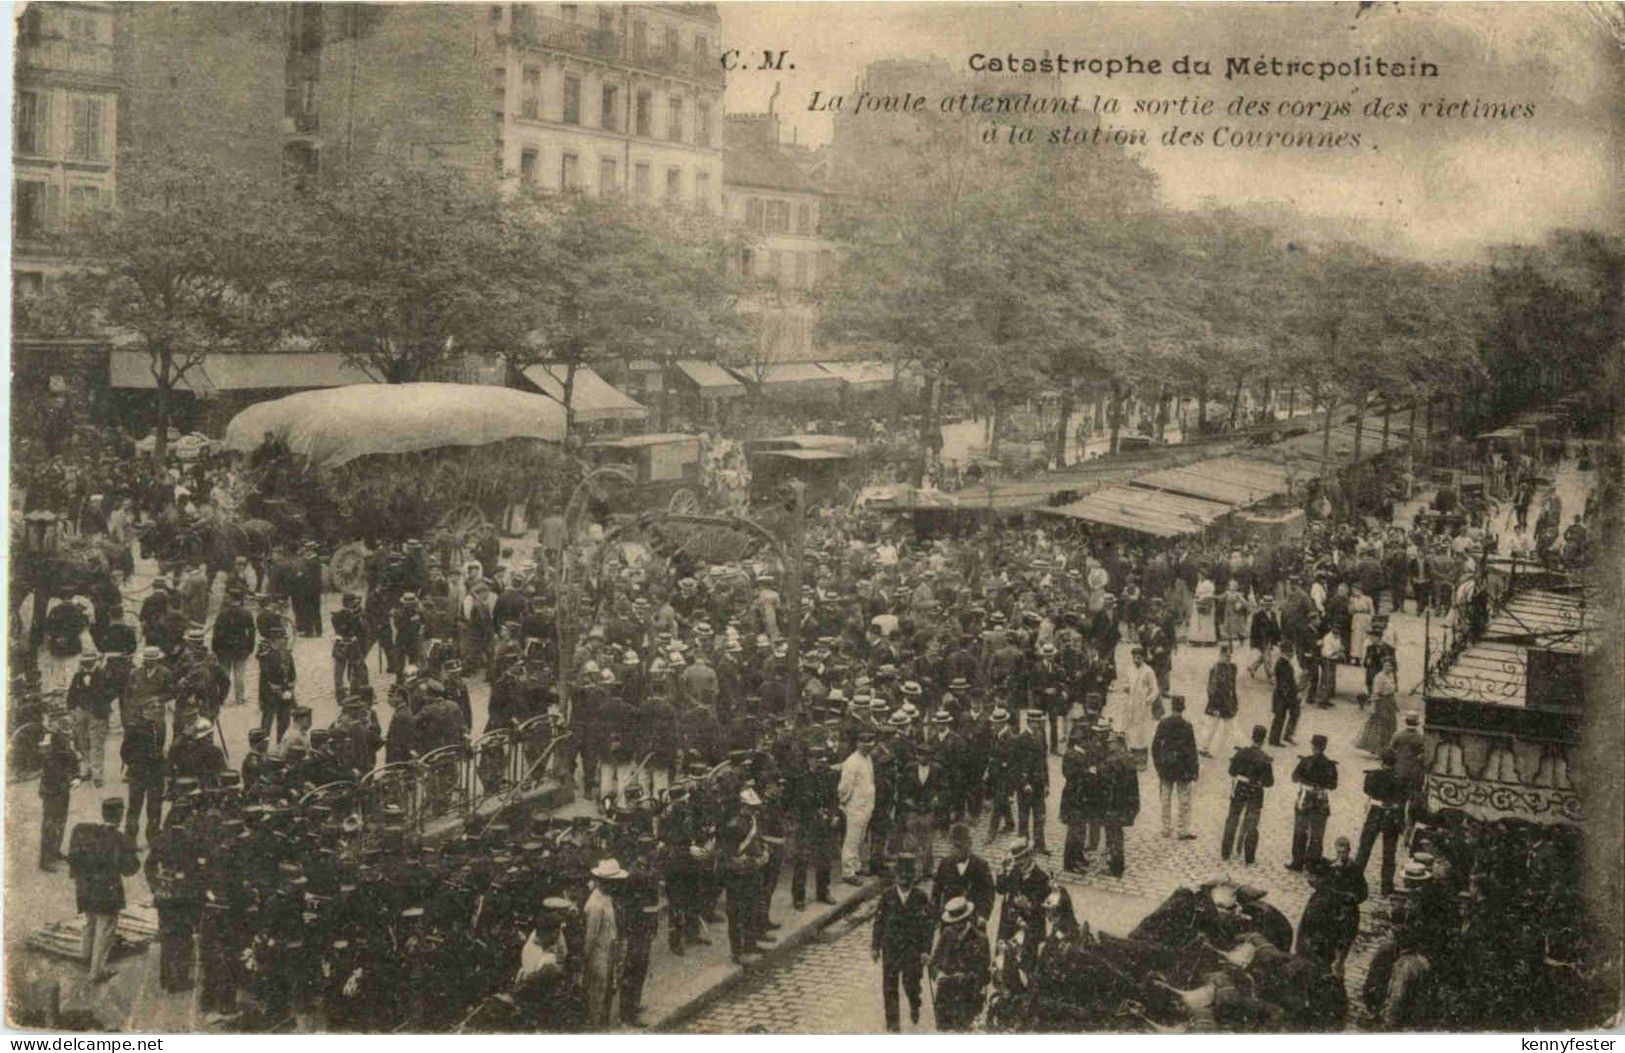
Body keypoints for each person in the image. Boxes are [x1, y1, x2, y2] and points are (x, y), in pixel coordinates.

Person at [67, 797, 140, 983]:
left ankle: (86, 957)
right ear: (120, 815)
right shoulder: (119, 838)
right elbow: (130, 869)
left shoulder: (84, 830)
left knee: (90, 921)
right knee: (105, 928)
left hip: (85, 888)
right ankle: (96, 971)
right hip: (107, 892)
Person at [871, 854, 933, 1032]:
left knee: (911, 985)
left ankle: (915, 1003)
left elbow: (928, 926)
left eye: (908, 875)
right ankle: (893, 1025)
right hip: (891, 948)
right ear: (896, 876)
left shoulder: (921, 897)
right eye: (900, 875)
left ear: (913, 877)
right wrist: (875, 946)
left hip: (912, 950)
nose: (904, 879)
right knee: (889, 987)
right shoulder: (888, 896)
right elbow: (879, 921)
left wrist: (926, 950)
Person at [930, 896, 990, 1032]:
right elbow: (934, 964)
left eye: (960, 922)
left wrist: (967, 978)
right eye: (954, 922)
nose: (957, 926)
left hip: (969, 997)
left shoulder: (980, 938)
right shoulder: (946, 934)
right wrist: (938, 975)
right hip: (946, 996)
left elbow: (985, 973)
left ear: (968, 918)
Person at [1354, 749, 1408, 895]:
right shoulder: (1399, 779)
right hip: (1391, 817)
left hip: (1375, 813)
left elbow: (1367, 790)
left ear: (1382, 761)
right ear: (1395, 763)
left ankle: (1354, 881)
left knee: (1364, 848)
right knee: (1389, 852)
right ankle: (1386, 886)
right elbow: (1403, 797)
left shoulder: (1372, 775)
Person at [1221, 724, 1274, 866]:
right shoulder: (1265, 759)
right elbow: (1269, 782)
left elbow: (1231, 771)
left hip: (1239, 789)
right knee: (1252, 824)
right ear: (1263, 740)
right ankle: (1249, 858)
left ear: (1252, 736)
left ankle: (1226, 853)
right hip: (1255, 791)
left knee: (1232, 819)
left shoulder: (1241, 753)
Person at [582, 857, 626, 1028]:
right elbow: (590, 937)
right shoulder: (595, 904)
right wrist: (586, 961)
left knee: (608, 990)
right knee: (597, 993)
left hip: (609, 952)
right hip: (598, 956)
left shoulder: (606, 897)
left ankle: (604, 1023)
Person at [1151, 695, 1198, 841]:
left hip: (1166, 766)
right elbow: (1192, 750)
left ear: (1172, 707)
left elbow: (1155, 746)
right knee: (1184, 799)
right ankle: (1182, 829)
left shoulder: (1164, 723)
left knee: (1165, 797)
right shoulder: (1187, 725)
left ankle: (1166, 827)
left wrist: (1159, 765)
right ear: (1183, 708)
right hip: (1183, 768)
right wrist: (1194, 770)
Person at [1288, 734, 1338, 869]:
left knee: (1300, 830)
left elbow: (1294, 777)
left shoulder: (1305, 761)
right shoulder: (1330, 765)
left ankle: (1297, 862)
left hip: (1305, 798)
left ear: (1312, 746)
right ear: (1324, 747)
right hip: (1321, 800)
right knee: (1317, 832)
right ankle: (1312, 863)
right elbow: (1333, 785)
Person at [38, 713, 80, 871]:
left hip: (63, 787)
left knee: (60, 820)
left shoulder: (64, 736)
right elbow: (48, 761)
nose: (62, 724)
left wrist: (76, 776)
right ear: (51, 722)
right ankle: (45, 859)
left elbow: (72, 756)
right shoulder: (48, 739)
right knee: (50, 823)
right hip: (51, 788)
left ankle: (55, 851)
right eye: (56, 721)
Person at [930, 823, 994, 923]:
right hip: (949, 918)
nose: (956, 850)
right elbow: (936, 893)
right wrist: (936, 916)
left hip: (973, 919)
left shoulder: (981, 865)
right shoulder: (944, 864)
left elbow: (988, 893)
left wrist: (983, 915)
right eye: (953, 846)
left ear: (969, 845)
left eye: (959, 846)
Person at [838, 733, 877, 883]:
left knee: (860, 838)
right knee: (852, 839)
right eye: (864, 743)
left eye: (870, 744)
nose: (867, 746)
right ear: (858, 744)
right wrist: (844, 803)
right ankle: (848, 872)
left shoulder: (867, 758)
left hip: (866, 805)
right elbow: (845, 786)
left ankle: (855, 866)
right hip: (855, 806)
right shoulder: (852, 761)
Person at [1100, 731, 1141, 876]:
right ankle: (1117, 863)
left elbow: (1104, 783)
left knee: (1113, 835)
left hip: (1114, 804)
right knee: (1118, 834)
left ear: (1117, 743)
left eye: (1111, 742)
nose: (1108, 745)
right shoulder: (1129, 758)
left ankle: (1116, 867)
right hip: (1126, 804)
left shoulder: (1112, 760)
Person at [211, 590, 257, 708]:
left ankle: (223, 698)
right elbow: (251, 633)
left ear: (231, 599)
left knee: (224, 674)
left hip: (224, 648)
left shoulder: (222, 614)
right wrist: (250, 647)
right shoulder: (246, 613)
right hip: (241, 648)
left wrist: (214, 648)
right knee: (239, 674)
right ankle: (239, 698)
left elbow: (216, 633)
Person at [1199, 644, 1239, 758]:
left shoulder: (1232, 668)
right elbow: (1211, 689)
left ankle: (1235, 746)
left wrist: (1234, 700)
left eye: (1229, 655)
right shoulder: (1216, 668)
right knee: (1212, 725)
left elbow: (1233, 687)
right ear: (1221, 655)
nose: (1228, 657)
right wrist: (1215, 704)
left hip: (1227, 701)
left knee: (1230, 725)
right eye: (1226, 655)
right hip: (1217, 701)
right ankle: (1203, 747)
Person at [1356, 656, 1400, 755]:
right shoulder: (1379, 677)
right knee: (1381, 727)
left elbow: (1393, 689)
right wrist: (1373, 706)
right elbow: (1376, 693)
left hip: (1390, 702)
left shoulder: (1391, 675)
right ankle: (1378, 749)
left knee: (1391, 726)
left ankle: (1386, 748)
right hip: (1382, 703)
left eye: (1390, 666)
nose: (1387, 667)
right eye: (1386, 665)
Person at [1267, 647, 1299, 747]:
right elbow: (1284, 682)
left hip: (1286, 694)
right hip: (1283, 695)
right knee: (1280, 717)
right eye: (1291, 651)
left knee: (1293, 713)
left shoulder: (1285, 662)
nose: (1293, 653)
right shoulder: (1282, 663)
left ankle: (1284, 736)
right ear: (1286, 652)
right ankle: (1275, 739)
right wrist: (1289, 695)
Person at [1247, 596, 1281, 680]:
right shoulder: (1257, 615)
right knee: (1267, 657)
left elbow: (1276, 626)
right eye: (1266, 605)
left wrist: (1279, 638)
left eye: (1269, 605)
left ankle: (1252, 668)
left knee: (1264, 656)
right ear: (1263, 605)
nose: (1268, 606)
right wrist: (1253, 642)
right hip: (1261, 639)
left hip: (1270, 639)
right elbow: (1253, 629)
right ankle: (1270, 676)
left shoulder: (1273, 614)